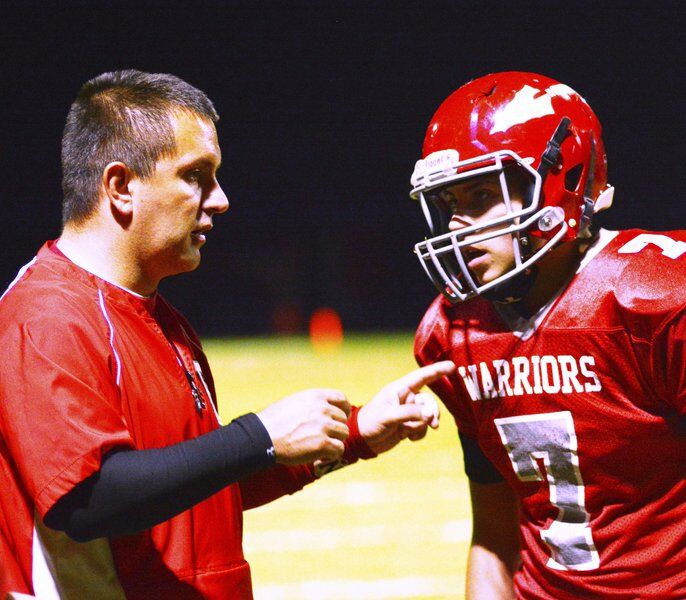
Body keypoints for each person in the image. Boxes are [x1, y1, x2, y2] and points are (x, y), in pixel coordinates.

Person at [0, 69, 455, 600]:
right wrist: (256, 437)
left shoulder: (158, 316)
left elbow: (194, 491)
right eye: (196, 175)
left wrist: (353, 434)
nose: (220, 200)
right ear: (121, 187)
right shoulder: (46, 317)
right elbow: (88, 499)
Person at [411, 71, 686, 599]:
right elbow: (494, 535)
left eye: (482, 193)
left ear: (564, 180)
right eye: (449, 204)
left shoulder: (657, 300)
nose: (456, 227)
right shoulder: (453, 332)